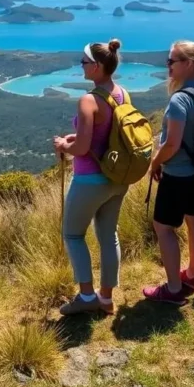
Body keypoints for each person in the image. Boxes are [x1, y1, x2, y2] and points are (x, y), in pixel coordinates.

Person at [53, 38, 129, 315]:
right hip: (118, 178)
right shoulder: (122, 93)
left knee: (73, 234)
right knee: (109, 235)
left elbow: (83, 148)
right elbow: (108, 134)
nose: (81, 66)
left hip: (90, 179)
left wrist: (64, 145)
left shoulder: (88, 100)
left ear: (96, 67)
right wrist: (78, 138)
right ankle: (106, 298)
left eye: (84, 62)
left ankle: (86, 298)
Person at [142, 41, 194, 305]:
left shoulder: (180, 99)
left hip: (178, 173)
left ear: (188, 64)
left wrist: (155, 162)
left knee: (163, 227)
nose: (167, 65)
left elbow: (172, 143)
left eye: (171, 61)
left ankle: (174, 289)